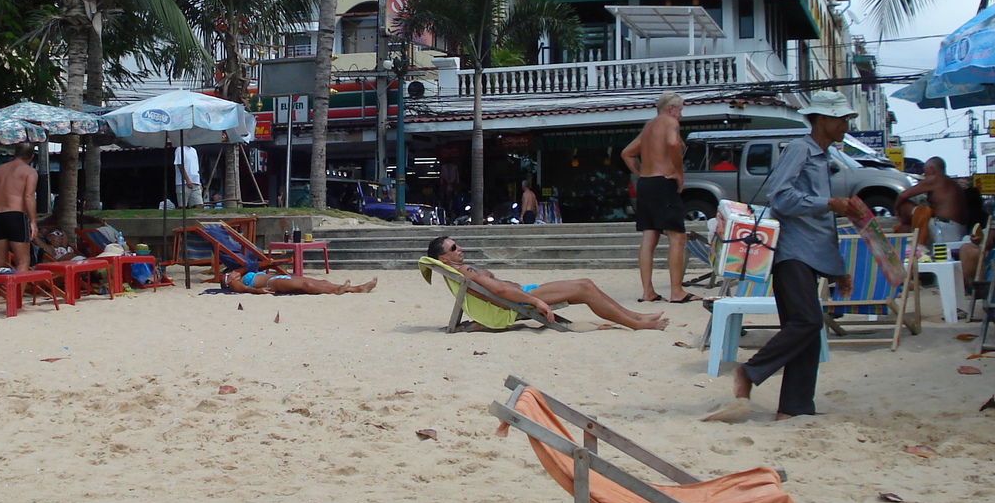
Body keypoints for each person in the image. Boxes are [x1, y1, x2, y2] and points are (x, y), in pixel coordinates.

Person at [733, 90, 857, 419]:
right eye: (842, 118)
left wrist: (837, 269)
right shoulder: (801, 149)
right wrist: (828, 203)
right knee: (807, 321)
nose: (846, 124)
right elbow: (781, 197)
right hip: (791, 252)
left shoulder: (823, 156)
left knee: (808, 333)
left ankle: (793, 409)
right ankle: (750, 371)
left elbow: (822, 227)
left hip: (809, 253)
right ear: (823, 120)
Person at [428, 236, 669, 330]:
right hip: (519, 299)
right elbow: (499, 290)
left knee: (586, 283)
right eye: (453, 247)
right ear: (443, 258)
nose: (460, 248)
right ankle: (636, 324)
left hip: (522, 293)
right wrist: (535, 300)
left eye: (458, 245)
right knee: (584, 287)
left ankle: (635, 317)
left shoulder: (462, 271)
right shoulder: (466, 271)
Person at [621, 91, 693, 303]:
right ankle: (677, 291)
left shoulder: (649, 126)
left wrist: (641, 172)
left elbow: (627, 153)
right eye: (680, 109)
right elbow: (672, 144)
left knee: (649, 237)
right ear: (671, 108)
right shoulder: (670, 122)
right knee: (677, 236)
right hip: (664, 182)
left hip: (646, 183)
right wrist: (679, 173)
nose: (681, 115)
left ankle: (648, 291)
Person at [0, 143, 39, 272]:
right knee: (23, 261)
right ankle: (17, 293)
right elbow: (28, 196)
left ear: (15, 154)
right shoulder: (30, 171)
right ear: (31, 156)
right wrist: (33, 221)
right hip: (16, 215)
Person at [896, 157, 969, 244]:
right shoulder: (952, 183)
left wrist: (896, 210)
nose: (924, 174)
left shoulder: (935, 179)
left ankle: (906, 231)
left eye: (925, 171)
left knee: (905, 206)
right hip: (959, 229)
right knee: (920, 212)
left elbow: (903, 195)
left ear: (931, 169)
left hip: (943, 228)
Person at [226, 269, 377, 295]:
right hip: (272, 283)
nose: (233, 272)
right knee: (307, 286)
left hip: (280, 278)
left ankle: (358, 288)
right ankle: (335, 291)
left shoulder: (244, 274)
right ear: (229, 280)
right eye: (230, 274)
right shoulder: (233, 283)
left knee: (322, 281)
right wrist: (257, 291)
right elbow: (244, 289)